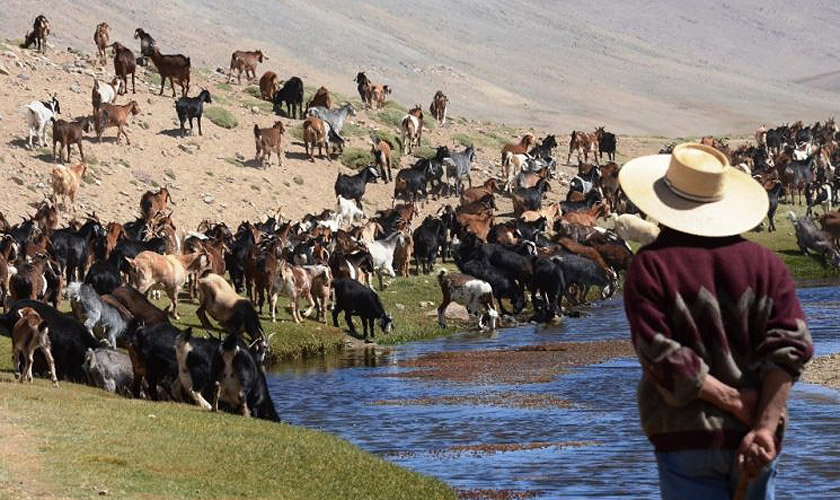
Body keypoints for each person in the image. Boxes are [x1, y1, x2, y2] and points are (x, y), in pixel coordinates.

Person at [619, 143, 813, 500]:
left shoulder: (650, 267)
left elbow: (660, 354)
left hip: (685, 438)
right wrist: (764, 427)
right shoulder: (767, 266)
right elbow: (791, 347)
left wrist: (730, 400)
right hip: (757, 439)